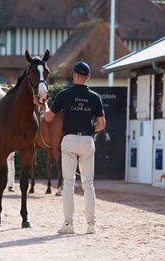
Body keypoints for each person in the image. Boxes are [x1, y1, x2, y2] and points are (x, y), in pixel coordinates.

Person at [37, 61, 106, 235]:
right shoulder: (95, 97)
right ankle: (91, 225)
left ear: (73, 75)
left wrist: (43, 106)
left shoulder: (64, 95)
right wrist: (90, 130)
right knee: (88, 185)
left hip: (69, 140)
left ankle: (69, 224)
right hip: (87, 141)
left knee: (68, 184)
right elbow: (102, 124)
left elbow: (50, 118)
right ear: (88, 77)